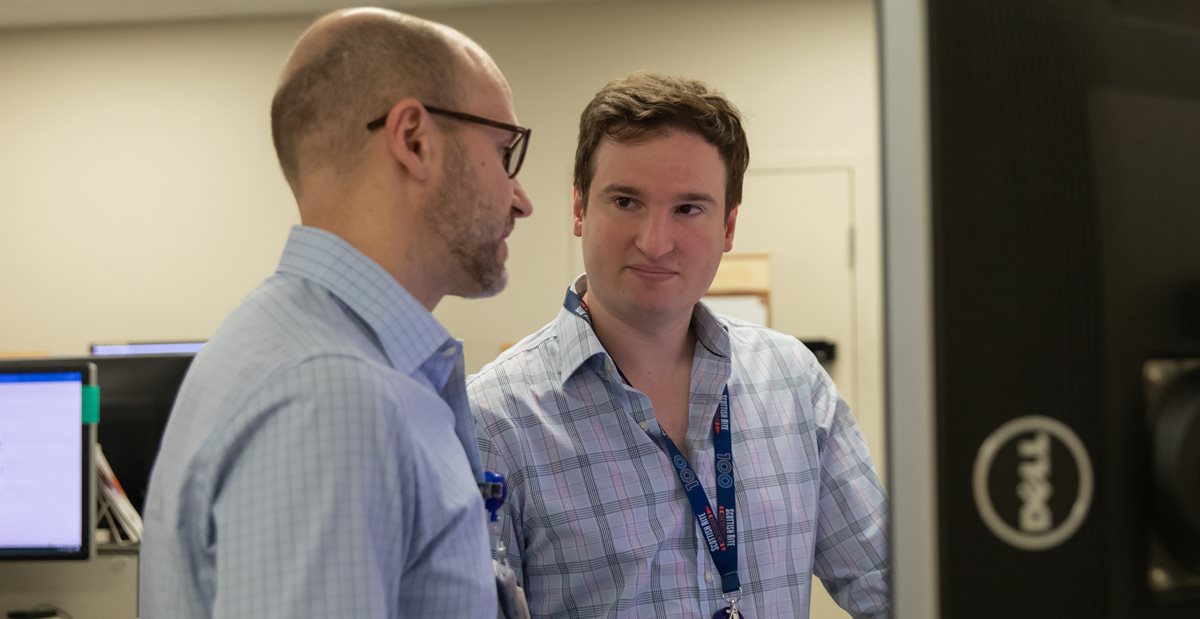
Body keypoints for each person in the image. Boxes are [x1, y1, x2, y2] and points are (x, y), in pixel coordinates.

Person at [140, 8, 533, 618]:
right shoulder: (335, 394)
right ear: (414, 140)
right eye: (505, 150)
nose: (520, 198)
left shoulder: (290, 346)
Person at [469, 72, 888, 618]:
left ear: (729, 226)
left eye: (688, 209)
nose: (655, 241)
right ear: (579, 208)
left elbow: (891, 586)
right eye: (625, 201)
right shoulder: (494, 419)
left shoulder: (793, 382)